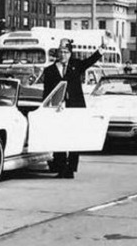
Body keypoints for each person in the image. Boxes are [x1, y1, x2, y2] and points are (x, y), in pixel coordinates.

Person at [42, 38, 102, 178]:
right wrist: (46, 108)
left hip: (75, 108)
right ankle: (61, 167)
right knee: (59, 138)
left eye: (66, 52)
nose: (63, 55)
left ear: (70, 53)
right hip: (57, 109)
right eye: (61, 52)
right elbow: (47, 92)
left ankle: (71, 169)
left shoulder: (76, 66)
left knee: (74, 139)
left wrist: (102, 48)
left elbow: (90, 61)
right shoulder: (49, 70)